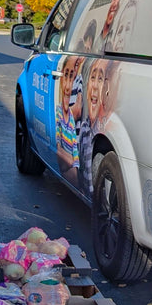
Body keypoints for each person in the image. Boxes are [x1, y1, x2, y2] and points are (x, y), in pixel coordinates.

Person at [77, 58, 107, 197]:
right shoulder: (85, 128)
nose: (94, 86)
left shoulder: (107, 127)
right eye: (92, 78)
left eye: (100, 79)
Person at [55, 53, 80, 175]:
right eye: (66, 75)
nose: (68, 85)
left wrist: (72, 162)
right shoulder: (58, 112)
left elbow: (74, 153)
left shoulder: (71, 119)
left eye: (71, 77)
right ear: (61, 79)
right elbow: (57, 144)